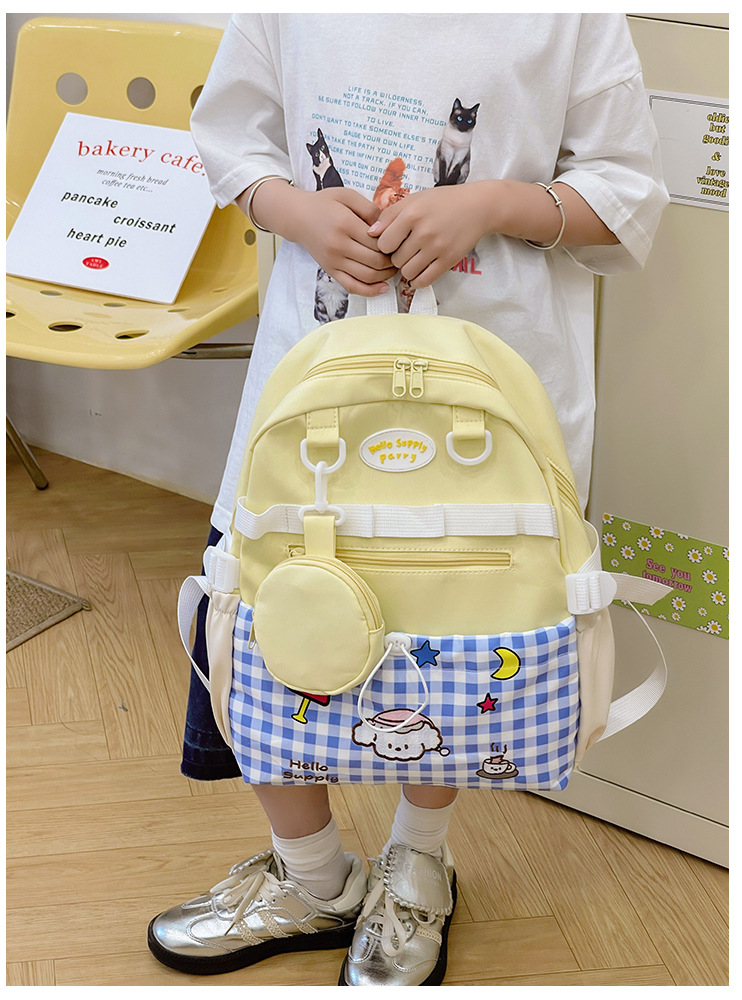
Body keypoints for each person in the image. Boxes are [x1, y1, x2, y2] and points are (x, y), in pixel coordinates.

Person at [147, 13, 668, 987]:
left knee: (460, 620)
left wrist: (494, 205)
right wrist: (297, 212)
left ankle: (418, 862)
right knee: (263, 611)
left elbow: (629, 192)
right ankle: (310, 876)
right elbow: (229, 136)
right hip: (310, 390)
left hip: (494, 405)